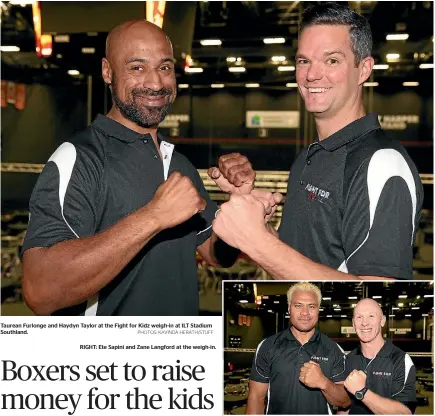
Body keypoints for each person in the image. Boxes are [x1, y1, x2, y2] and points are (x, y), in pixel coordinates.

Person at [20, 20, 275, 316]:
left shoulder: (178, 163)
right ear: (107, 71)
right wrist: (153, 217)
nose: (155, 83)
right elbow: (40, 290)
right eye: (137, 68)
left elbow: (216, 254)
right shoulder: (79, 159)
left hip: (178, 357)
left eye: (165, 67)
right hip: (113, 361)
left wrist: (239, 206)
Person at [211, 2, 424, 280]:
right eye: (304, 61)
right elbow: (302, 262)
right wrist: (256, 225)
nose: (312, 74)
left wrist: (258, 242)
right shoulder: (310, 157)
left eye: (332, 60)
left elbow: (376, 299)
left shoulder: (382, 165)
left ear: (364, 69)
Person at [247, 282, 350, 414]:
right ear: (289, 308)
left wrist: (324, 383)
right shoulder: (267, 346)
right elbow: (256, 397)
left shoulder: (334, 349)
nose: (305, 313)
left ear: (318, 309)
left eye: (311, 306)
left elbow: (345, 401)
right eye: (298, 305)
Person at [339, 298, 416, 414]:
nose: (364, 323)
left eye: (371, 316)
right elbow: (345, 409)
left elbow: (404, 413)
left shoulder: (400, 360)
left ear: (382, 320)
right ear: (353, 323)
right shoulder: (348, 359)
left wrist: (362, 391)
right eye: (359, 317)